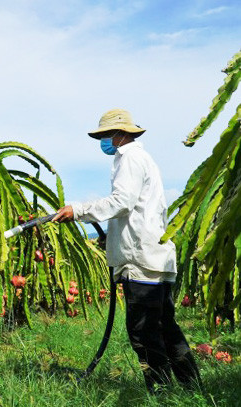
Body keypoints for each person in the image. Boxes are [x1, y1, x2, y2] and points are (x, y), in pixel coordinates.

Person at [52, 109, 201, 393]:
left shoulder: (129, 158)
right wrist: (111, 236)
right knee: (166, 328)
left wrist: (79, 210)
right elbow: (138, 212)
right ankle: (191, 388)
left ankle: (161, 391)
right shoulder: (143, 159)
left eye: (105, 136)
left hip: (141, 261)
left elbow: (122, 201)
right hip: (155, 257)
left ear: (119, 135)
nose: (104, 142)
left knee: (143, 332)